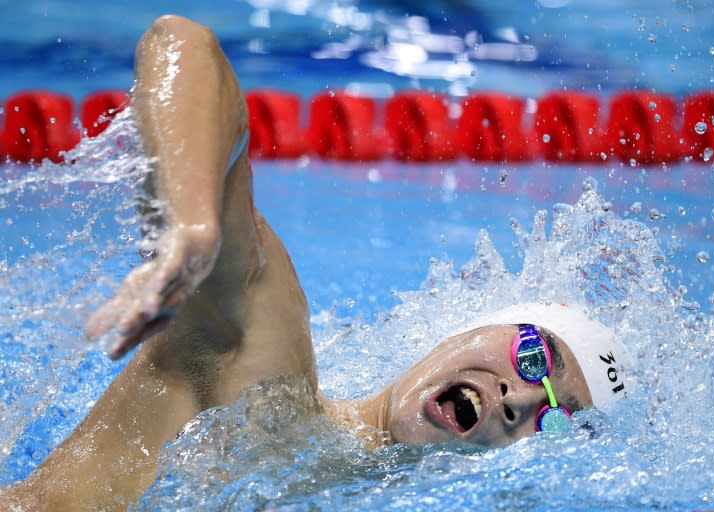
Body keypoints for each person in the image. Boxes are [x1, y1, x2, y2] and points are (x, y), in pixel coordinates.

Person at [0, 15, 634, 511]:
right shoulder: (265, 373)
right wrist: (195, 224)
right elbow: (182, 44)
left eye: (555, 419)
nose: (519, 397)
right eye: (534, 356)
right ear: (472, 331)